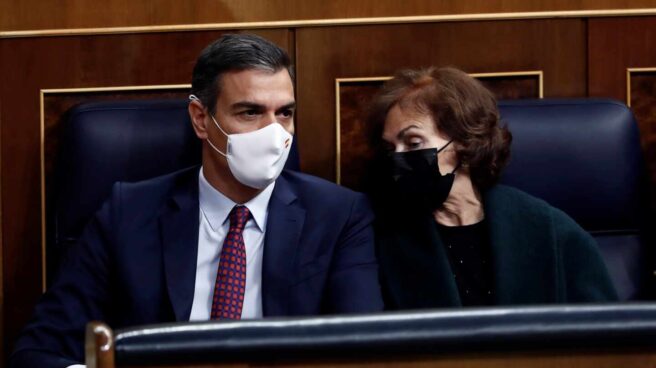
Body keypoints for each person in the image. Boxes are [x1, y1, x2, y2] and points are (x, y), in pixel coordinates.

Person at [11, 33, 383, 367]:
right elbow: (40, 350)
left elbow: (361, 354)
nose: (274, 133)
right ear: (201, 119)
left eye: (284, 113)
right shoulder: (129, 212)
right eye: (250, 112)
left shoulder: (339, 216)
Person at [365, 66, 617, 310]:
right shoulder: (381, 234)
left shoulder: (548, 229)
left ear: (463, 141)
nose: (398, 159)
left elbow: (608, 336)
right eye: (391, 149)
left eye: (413, 143)